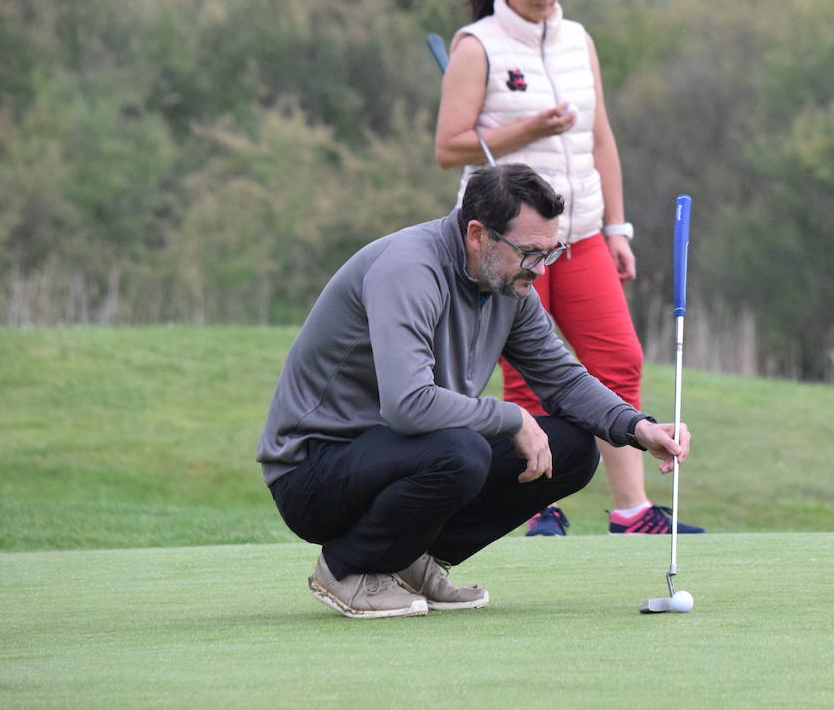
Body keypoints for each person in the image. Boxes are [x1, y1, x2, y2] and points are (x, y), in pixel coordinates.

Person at [256, 164, 692, 619]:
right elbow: (407, 405)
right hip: (313, 473)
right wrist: (511, 417)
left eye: (550, 252)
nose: (540, 270)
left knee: (572, 450)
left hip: (400, 457)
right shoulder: (409, 269)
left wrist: (637, 427)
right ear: (478, 235)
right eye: (529, 253)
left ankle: (409, 561)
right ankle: (348, 569)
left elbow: (563, 379)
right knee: (461, 451)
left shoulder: (509, 285)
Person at [435, 0, 703, 536]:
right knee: (528, 376)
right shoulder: (476, 46)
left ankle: (632, 511)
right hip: (510, 243)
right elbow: (450, 147)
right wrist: (530, 130)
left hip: (580, 234)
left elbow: (600, 137)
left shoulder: (577, 38)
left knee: (618, 358)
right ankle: (535, 508)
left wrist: (618, 227)